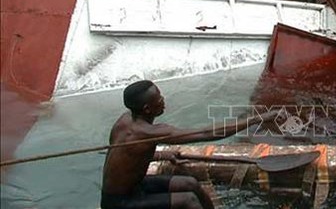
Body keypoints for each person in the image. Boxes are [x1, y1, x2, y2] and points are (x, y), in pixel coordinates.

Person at [101, 80, 277, 209]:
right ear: (147, 109)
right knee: (188, 201)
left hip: (136, 186)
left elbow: (128, 155)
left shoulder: (124, 122)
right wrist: (258, 119)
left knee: (190, 184)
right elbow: (206, 133)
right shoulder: (148, 132)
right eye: (159, 98)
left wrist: (162, 155)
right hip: (119, 202)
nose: (163, 99)